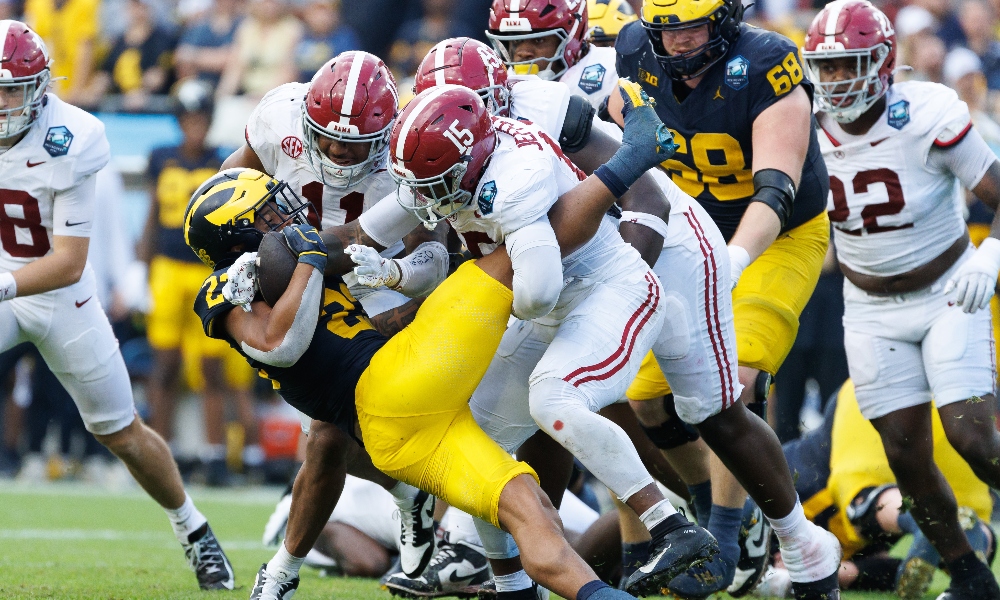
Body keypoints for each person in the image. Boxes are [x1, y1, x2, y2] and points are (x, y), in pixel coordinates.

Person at [186, 78, 681, 600]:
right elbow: (280, 342)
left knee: (522, 505)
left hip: (399, 434)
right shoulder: (226, 289)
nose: (286, 216)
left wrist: (389, 273)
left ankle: (573, 593)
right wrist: (310, 259)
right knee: (516, 246)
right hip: (395, 382)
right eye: (267, 216)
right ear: (234, 236)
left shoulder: (283, 266)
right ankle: (632, 158)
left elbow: (423, 263)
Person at [610, 0, 840, 596]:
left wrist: (734, 259)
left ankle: (734, 532)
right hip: (689, 230)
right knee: (646, 401)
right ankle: (713, 502)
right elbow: (623, 157)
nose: (680, 41)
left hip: (776, 234)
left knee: (730, 383)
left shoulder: (766, 61)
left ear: (726, 19)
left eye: (692, 26)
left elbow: (777, 189)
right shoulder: (635, 52)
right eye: (668, 29)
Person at [0, 20, 234, 590]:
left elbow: (69, 263)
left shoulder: (72, 136)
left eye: (10, 88)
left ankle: (193, 528)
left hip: (58, 296)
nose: (2, 102)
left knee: (120, 430)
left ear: (39, 88)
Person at [221, 51, 451, 587]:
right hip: (296, 281)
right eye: (325, 137)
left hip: (372, 284)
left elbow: (434, 255)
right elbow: (229, 184)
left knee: (328, 437)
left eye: (353, 143)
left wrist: (393, 278)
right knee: (331, 434)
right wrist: (235, 251)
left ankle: (281, 572)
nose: (336, 151)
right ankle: (409, 493)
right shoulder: (279, 115)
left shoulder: (411, 146)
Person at [802, 1, 1000, 598]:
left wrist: (989, 255)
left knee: (971, 438)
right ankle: (970, 577)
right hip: (866, 308)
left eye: (849, 66)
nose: (836, 81)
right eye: (827, 68)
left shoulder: (927, 110)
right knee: (906, 456)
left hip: (947, 292)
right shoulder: (801, 121)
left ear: (883, 62)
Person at [772, 380, 996, 598]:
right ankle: (968, 533)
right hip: (956, 397)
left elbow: (791, 575)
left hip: (879, 399)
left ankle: (924, 519)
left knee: (861, 497)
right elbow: (889, 569)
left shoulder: (779, 517)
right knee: (960, 541)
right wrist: (844, 574)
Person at [138, 80, 257, 486]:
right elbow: (153, 213)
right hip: (167, 270)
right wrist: (141, 267)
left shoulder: (224, 162)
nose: (195, 125)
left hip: (207, 270)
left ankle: (214, 454)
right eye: (188, 117)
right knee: (165, 367)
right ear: (179, 120)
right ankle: (159, 452)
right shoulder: (161, 157)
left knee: (211, 368)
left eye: (201, 117)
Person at [487, 0, 620, 107]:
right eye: (516, 39)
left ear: (572, 37)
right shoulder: (499, 86)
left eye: (538, 40)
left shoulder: (611, 70)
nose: (523, 53)